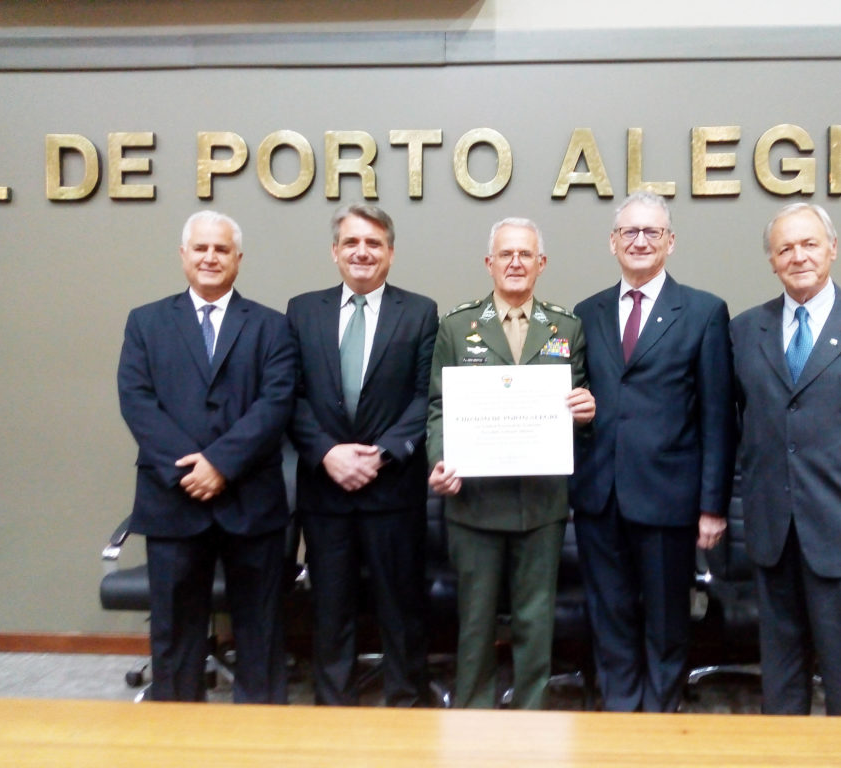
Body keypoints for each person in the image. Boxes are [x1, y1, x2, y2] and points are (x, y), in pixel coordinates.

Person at [730, 202, 841, 716]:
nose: (799, 256)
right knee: (782, 693)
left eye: (810, 243)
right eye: (785, 247)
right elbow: (745, 427)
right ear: (772, 260)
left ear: (832, 248)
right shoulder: (744, 332)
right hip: (776, 538)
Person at [117, 210, 296, 703]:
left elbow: (276, 404)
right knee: (175, 633)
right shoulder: (146, 322)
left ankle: (259, 736)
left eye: (221, 249)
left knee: (260, 631)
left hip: (250, 501)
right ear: (183, 256)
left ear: (238, 259)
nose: (210, 257)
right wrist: (190, 469)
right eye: (201, 248)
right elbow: (137, 401)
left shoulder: (272, 326)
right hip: (173, 501)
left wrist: (220, 464)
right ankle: (176, 733)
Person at [570, 192, 736, 712]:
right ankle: (622, 713)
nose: (640, 241)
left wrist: (713, 505)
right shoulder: (587, 312)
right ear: (612, 242)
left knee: (666, 619)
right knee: (610, 613)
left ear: (670, 242)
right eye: (629, 232)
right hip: (600, 494)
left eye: (651, 232)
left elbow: (717, 415)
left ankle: (660, 714)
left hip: (669, 497)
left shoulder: (704, 312)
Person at [427, 217, 596, 709]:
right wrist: (440, 461)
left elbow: (577, 407)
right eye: (506, 254)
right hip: (474, 502)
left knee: (534, 620)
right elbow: (438, 406)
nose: (516, 263)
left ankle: (531, 720)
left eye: (526, 254)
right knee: (475, 622)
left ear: (541, 264)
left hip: (540, 503)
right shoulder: (457, 327)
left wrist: (584, 413)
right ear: (489, 263)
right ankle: (473, 718)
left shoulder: (567, 327)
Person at [287, 203, 438, 707]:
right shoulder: (302, 310)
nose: (362, 251)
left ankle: (405, 703)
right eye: (351, 242)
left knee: (401, 608)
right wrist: (327, 453)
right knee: (330, 607)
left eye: (374, 243)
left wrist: (384, 453)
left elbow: (426, 396)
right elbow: (293, 395)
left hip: (392, 488)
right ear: (335, 252)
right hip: (325, 489)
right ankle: (334, 706)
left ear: (390, 253)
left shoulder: (419, 312)